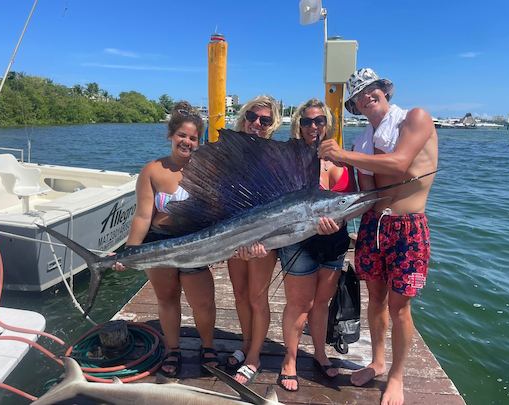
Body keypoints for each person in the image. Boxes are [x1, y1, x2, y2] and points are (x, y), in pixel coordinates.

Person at [318, 68, 438, 405]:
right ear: (355, 104)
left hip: (407, 226)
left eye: (373, 90)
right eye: (360, 94)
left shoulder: (414, 118)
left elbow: (400, 164)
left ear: (385, 91)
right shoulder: (363, 142)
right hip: (374, 227)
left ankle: (396, 377)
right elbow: (368, 194)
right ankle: (377, 362)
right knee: (376, 300)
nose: (368, 96)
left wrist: (341, 156)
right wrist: (329, 216)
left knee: (400, 307)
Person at [116, 102, 218, 378]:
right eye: (182, 135)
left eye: (194, 138)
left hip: (194, 244)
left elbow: (215, 215)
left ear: (199, 141)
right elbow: (142, 215)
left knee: (203, 302)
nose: (187, 142)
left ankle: (207, 347)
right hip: (159, 242)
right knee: (167, 299)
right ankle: (173, 349)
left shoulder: (206, 172)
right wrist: (130, 251)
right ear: (171, 136)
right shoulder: (152, 170)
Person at [276, 99, 355, 392]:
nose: (313, 126)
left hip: (335, 242)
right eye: (307, 121)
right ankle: (290, 360)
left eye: (319, 121)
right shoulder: (290, 160)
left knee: (321, 303)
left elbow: (354, 201)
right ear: (298, 124)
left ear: (328, 124)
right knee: (299, 304)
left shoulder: (343, 158)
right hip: (300, 242)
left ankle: (320, 354)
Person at [226, 95, 282, 385]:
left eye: (265, 120)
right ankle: (246, 343)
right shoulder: (230, 149)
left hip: (262, 238)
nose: (256, 124)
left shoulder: (273, 155)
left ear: (273, 125)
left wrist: (264, 239)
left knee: (257, 297)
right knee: (239, 294)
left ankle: (254, 356)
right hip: (233, 235)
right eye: (252, 116)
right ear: (243, 117)